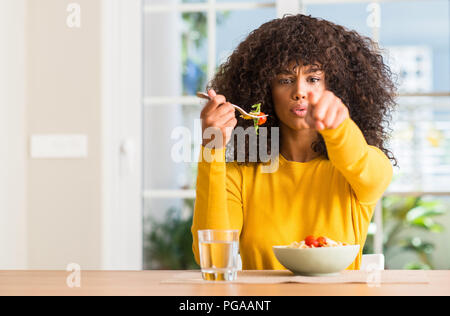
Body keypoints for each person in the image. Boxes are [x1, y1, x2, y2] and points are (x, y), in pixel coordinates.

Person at [191, 14, 397, 270]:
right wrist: (212, 146)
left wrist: (339, 126)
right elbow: (213, 259)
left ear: (337, 87)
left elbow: (360, 163)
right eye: (285, 80)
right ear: (266, 92)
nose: (299, 91)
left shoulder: (356, 173)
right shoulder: (240, 178)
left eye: (313, 79)